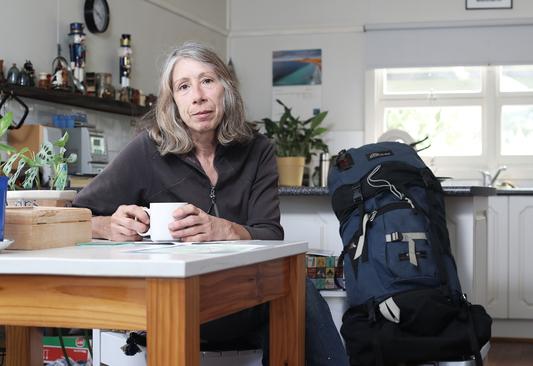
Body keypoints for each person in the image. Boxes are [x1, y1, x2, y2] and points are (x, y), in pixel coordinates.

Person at [73, 41, 348, 366]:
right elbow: (74, 216)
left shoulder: (257, 150)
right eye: (184, 86)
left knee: (299, 291)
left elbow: (271, 234)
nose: (198, 96)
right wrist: (105, 225)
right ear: (173, 101)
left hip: (242, 302)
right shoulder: (147, 151)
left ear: (226, 89)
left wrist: (224, 229)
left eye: (207, 81)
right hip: (170, 302)